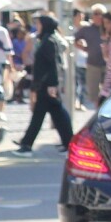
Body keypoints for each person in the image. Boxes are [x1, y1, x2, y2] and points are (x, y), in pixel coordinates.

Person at [12, 15, 73, 158]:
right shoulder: (46, 40)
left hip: (47, 84)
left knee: (41, 115)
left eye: (39, 24)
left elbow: (53, 65)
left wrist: (52, 84)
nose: (37, 26)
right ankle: (69, 143)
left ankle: (27, 144)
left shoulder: (49, 41)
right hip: (45, 83)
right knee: (57, 115)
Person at [75, 4, 106, 109]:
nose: (99, 16)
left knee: (107, 91)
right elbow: (75, 40)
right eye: (96, 14)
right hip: (93, 63)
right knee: (93, 92)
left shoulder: (108, 27)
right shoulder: (87, 29)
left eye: (101, 14)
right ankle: (97, 110)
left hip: (108, 64)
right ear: (92, 16)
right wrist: (84, 48)